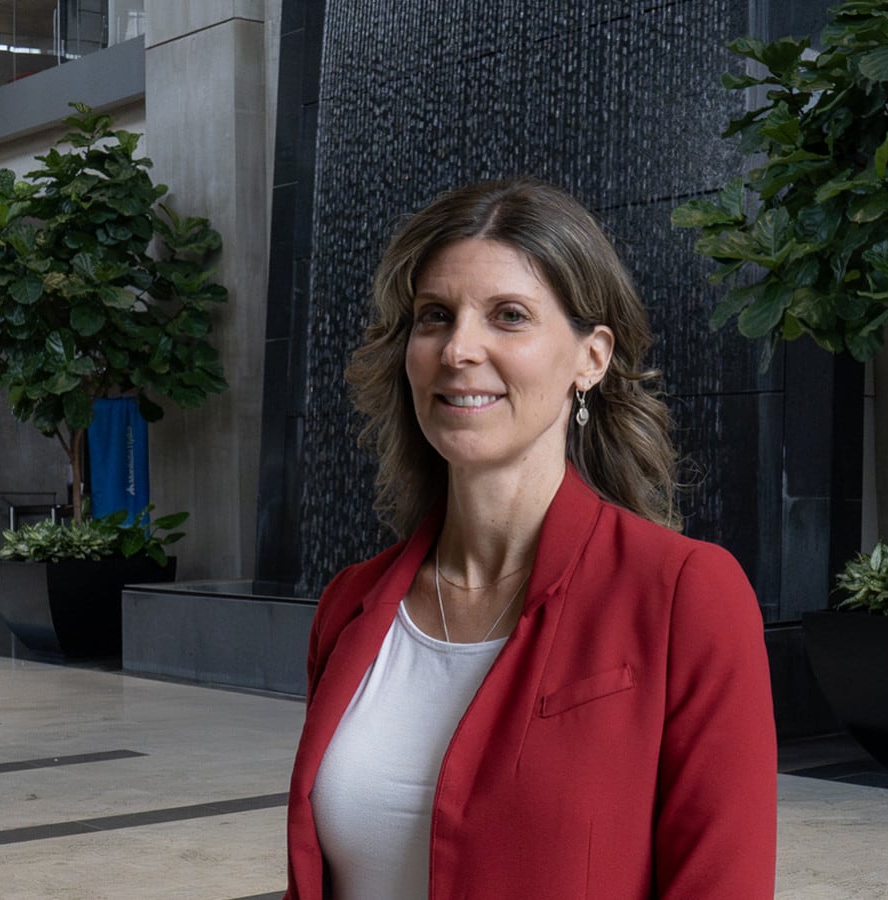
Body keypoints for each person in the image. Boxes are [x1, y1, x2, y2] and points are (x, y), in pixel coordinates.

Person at [283, 179, 777, 899]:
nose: (459, 349)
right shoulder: (350, 606)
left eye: (508, 316)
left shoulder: (684, 595)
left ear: (592, 358)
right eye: (434, 317)